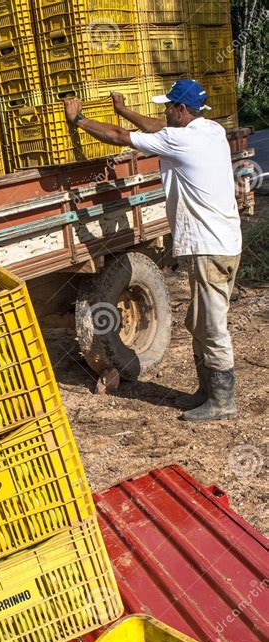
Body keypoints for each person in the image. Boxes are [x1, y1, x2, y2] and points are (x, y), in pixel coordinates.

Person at [64, 79, 242, 422]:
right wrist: (125, 110)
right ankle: (207, 392)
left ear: (181, 109)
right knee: (199, 320)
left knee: (211, 325)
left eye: (168, 105)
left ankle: (222, 400)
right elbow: (160, 128)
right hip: (221, 242)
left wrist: (79, 121)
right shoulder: (211, 130)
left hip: (210, 246)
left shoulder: (181, 139)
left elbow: (119, 137)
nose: (163, 111)